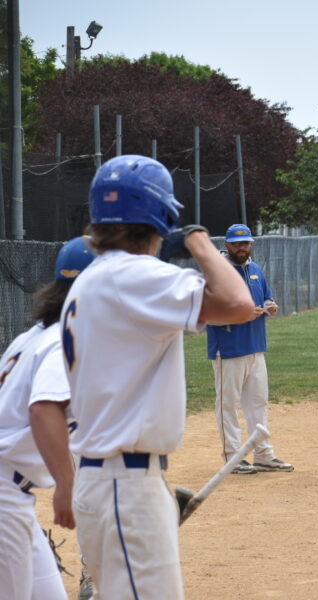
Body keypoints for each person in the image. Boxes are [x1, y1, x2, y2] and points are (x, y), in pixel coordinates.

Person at [62, 155, 255, 600]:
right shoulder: (133, 275)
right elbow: (238, 304)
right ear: (161, 215)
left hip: (108, 479)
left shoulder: (95, 279)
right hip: (123, 485)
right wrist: (200, 241)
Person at [0, 236, 93, 600]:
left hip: (13, 493)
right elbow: (44, 408)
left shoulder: (35, 335)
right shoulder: (62, 341)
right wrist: (67, 486)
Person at [207, 224, 293, 475]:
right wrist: (240, 315)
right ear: (227, 245)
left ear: (251, 244)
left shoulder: (255, 270)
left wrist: (270, 305)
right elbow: (207, 314)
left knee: (258, 403)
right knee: (228, 405)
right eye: (236, 243)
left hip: (256, 346)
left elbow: (266, 296)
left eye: (245, 243)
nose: (241, 248)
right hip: (228, 349)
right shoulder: (216, 273)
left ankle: (263, 454)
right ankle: (233, 456)